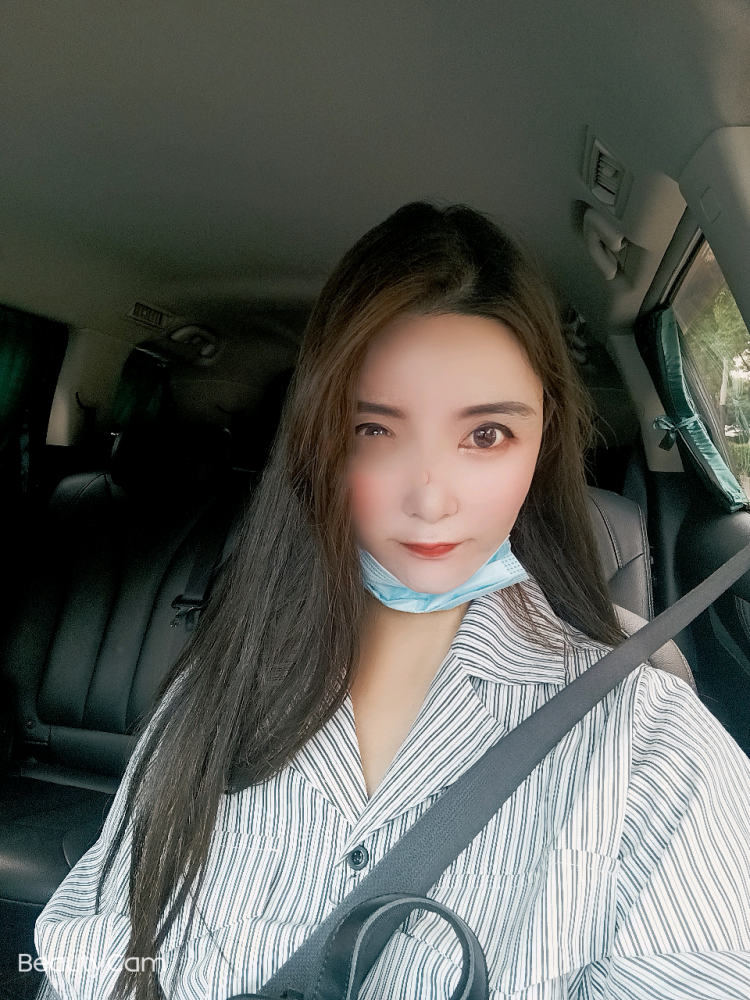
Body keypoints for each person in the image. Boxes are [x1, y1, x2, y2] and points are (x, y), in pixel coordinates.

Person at [35, 202, 750, 999]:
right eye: (374, 431)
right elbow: (93, 950)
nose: (431, 500)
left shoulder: (650, 739)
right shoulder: (215, 688)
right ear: (321, 444)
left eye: (486, 435)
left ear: (543, 441)